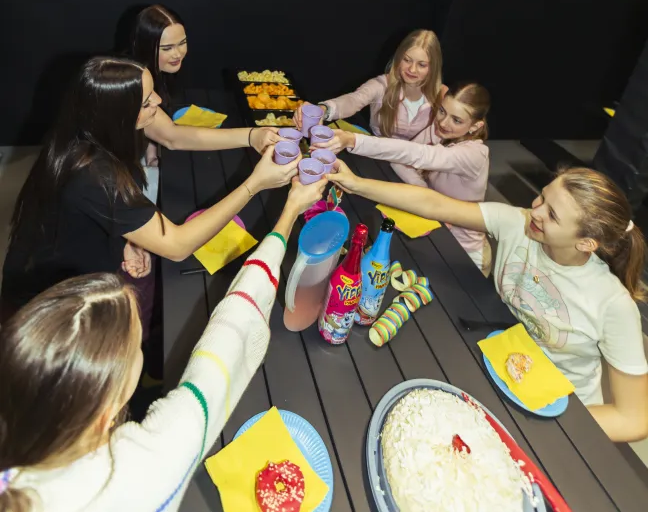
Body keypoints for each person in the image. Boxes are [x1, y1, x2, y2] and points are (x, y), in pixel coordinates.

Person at [0, 175, 326, 512]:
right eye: (135, 343)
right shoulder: (139, 470)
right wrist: (289, 212)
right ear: (106, 413)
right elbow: (230, 338)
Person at [329, 160, 648, 443]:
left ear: (586, 242)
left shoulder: (613, 304)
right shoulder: (519, 224)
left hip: (555, 413)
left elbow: (633, 419)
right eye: (543, 196)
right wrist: (356, 183)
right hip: (496, 367)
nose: (534, 210)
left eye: (551, 215)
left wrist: (554, 423)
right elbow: (435, 204)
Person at [1, 57, 297, 323]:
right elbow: (178, 246)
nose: (157, 100)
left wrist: (127, 239)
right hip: (51, 302)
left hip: (66, 262)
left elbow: (89, 212)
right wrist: (255, 183)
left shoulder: (84, 132)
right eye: (145, 102)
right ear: (117, 115)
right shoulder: (95, 174)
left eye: (152, 91)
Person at [318, 82, 492, 273]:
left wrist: (353, 140)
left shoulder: (475, 154)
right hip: (435, 224)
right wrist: (425, 193)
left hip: (462, 250)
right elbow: (401, 160)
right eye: (442, 111)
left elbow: (416, 154)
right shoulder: (440, 130)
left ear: (476, 126)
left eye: (456, 120)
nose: (443, 122)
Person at [295, 29, 446, 184]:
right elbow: (353, 100)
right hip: (377, 163)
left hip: (418, 168)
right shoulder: (381, 85)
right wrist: (324, 110)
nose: (412, 69)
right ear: (398, 57)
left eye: (421, 64)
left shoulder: (442, 95)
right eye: (407, 60)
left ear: (433, 67)